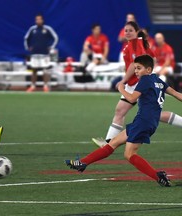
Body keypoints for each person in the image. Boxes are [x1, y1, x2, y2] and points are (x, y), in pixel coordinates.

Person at [66, 54, 182, 187]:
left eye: (139, 68)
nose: (136, 71)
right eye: (135, 68)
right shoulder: (158, 81)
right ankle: (83, 163)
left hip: (144, 122)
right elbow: (175, 93)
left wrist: (121, 87)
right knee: (113, 143)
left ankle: (158, 176)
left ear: (149, 70)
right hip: (145, 121)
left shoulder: (145, 80)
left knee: (129, 154)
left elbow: (132, 98)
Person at [92, 21, 182, 148]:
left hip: (139, 84)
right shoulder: (135, 44)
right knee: (122, 111)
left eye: (130, 30)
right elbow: (152, 58)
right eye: (126, 30)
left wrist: (123, 82)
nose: (127, 33)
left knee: (151, 113)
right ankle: (108, 143)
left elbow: (134, 65)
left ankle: (108, 144)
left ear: (136, 31)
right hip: (136, 83)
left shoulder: (136, 44)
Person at [24, 14, 58, 92]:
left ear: (42, 20)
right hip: (35, 53)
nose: (38, 21)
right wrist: (28, 47)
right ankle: (32, 86)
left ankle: (45, 86)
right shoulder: (32, 29)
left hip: (44, 53)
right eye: (37, 19)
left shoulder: (47, 29)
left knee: (45, 69)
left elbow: (56, 37)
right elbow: (26, 38)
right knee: (34, 70)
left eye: (39, 19)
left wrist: (51, 47)